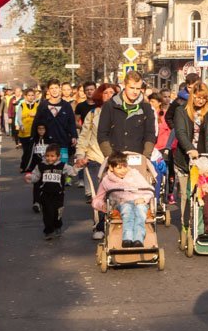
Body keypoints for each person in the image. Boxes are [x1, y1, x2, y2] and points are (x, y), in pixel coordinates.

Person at [173, 82, 208, 231]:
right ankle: (185, 225)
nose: (200, 101)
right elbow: (181, 132)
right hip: (185, 159)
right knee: (187, 193)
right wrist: (189, 148)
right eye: (197, 97)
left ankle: (203, 223)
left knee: (206, 191)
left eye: (203, 98)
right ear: (192, 96)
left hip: (205, 158)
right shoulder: (181, 111)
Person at [76, 83, 117, 239]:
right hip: (95, 158)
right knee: (99, 194)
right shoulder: (93, 114)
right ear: (100, 95)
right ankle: (99, 226)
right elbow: (84, 136)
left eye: (112, 92)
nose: (109, 95)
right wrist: (80, 155)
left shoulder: (121, 112)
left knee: (117, 193)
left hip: (116, 159)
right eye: (106, 93)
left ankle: (117, 225)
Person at [92, 151, 155, 248]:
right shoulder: (106, 180)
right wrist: (103, 206)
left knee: (140, 212)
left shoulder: (134, 174)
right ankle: (127, 238)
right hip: (121, 203)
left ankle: (138, 239)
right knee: (127, 210)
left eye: (125, 167)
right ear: (111, 168)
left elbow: (149, 189)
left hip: (139, 201)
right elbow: (97, 200)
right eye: (119, 168)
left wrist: (144, 199)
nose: (123, 170)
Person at [24, 143, 78, 239]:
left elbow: (72, 172)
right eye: (47, 156)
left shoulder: (62, 166)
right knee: (47, 214)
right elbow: (36, 177)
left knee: (57, 213)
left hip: (59, 195)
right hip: (45, 194)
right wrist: (30, 178)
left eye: (52, 156)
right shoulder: (41, 166)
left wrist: (79, 166)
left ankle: (57, 226)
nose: (49, 158)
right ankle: (48, 231)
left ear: (58, 156)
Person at [98, 70, 155, 158]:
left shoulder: (146, 107)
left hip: (138, 158)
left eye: (138, 89)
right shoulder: (110, 105)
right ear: (124, 85)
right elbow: (102, 134)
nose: (135, 92)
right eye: (132, 88)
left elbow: (150, 134)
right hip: (115, 158)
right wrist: (111, 157)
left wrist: (146, 157)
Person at [32, 79, 78, 165]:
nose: (54, 90)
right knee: (47, 167)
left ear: (60, 88)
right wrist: (34, 138)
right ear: (48, 90)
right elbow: (36, 123)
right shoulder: (43, 105)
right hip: (46, 144)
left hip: (63, 142)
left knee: (63, 167)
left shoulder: (66, 105)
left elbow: (71, 122)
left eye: (56, 88)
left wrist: (74, 136)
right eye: (52, 88)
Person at [25, 123, 50, 212]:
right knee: (36, 184)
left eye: (43, 129)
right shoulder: (33, 140)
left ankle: (45, 202)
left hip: (48, 166)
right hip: (37, 166)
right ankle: (36, 202)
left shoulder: (50, 140)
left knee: (47, 185)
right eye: (39, 129)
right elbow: (29, 155)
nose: (41, 131)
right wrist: (27, 167)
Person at [16, 87, 40, 172]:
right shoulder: (22, 105)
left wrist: (35, 115)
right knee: (26, 151)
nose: (31, 97)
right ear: (25, 96)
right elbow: (19, 118)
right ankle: (23, 166)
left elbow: (40, 116)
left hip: (34, 132)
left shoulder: (37, 105)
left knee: (33, 151)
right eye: (29, 95)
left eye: (32, 95)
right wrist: (21, 125)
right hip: (24, 132)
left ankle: (31, 167)